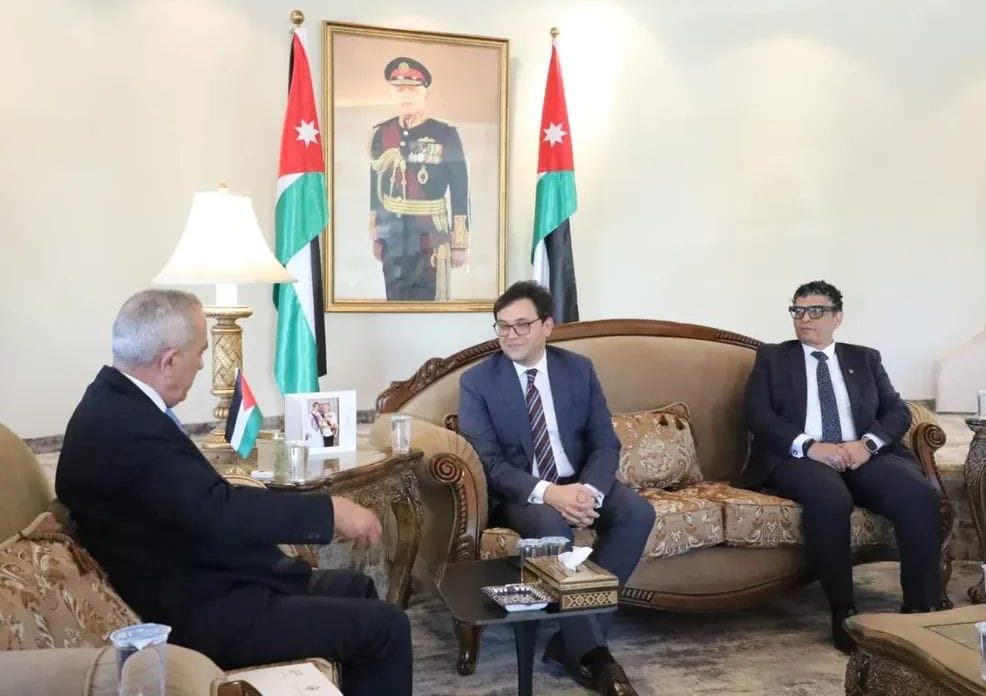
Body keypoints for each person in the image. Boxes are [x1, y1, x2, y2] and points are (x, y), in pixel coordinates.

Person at [55, 289, 412, 696]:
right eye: (200, 353)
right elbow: (218, 510)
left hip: (208, 577)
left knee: (356, 588)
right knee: (388, 628)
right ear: (169, 361)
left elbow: (198, 504)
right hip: (197, 610)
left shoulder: (114, 403)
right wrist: (330, 512)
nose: (201, 364)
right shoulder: (124, 426)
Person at [458, 281, 654, 696]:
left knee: (638, 512)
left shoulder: (578, 369)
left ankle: (570, 642)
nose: (510, 335)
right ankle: (596, 657)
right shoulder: (478, 382)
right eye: (502, 326)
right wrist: (550, 493)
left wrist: (589, 492)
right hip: (523, 494)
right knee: (551, 526)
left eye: (521, 325)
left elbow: (605, 443)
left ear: (547, 326)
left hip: (581, 480)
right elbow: (490, 465)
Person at [740, 280, 942, 654]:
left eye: (815, 311)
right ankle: (843, 611)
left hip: (860, 453)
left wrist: (867, 445)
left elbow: (897, 411)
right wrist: (809, 446)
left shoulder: (864, 359)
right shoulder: (773, 358)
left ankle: (920, 607)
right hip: (800, 457)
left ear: (838, 318)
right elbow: (757, 414)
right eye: (798, 311)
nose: (804, 319)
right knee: (830, 499)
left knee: (918, 495)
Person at [369, 56, 469, 301]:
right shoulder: (382, 133)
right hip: (393, 234)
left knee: (429, 300)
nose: (406, 96)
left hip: (429, 233)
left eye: (412, 90)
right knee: (394, 300)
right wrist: (377, 234)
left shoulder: (445, 133)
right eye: (399, 90)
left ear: (426, 94)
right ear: (391, 94)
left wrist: (459, 242)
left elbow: (459, 188)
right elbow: (376, 186)